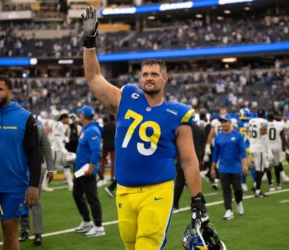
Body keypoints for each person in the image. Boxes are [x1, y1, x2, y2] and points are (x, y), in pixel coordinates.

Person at [81, 6, 208, 249]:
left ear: (165, 79)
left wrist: (197, 198)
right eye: (145, 74)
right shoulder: (127, 97)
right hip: (125, 192)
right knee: (130, 245)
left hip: (157, 191)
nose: (148, 77)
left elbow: (189, 160)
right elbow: (94, 78)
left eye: (154, 74)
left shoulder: (177, 112)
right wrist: (89, 42)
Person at [0, 75, 41, 250]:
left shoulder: (26, 118)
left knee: (10, 231)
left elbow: (34, 153)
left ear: (10, 91)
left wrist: (34, 185)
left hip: (14, 186)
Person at [20, 122, 55, 246]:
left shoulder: (39, 129)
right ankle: (24, 230)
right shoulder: (15, 128)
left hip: (36, 169)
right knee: (19, 200)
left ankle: (38, 233)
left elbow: (46, 148)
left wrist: (50, 169)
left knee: (35, 201)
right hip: (18, 170)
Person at [73, 105, 105, 237]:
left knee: (92, 198)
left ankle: (99, 226)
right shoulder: (86, 129)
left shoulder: (91, 130)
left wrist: (91, 168)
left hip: (87, 170)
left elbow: (97, 151)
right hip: (80, 169)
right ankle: (87, 221)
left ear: (83, 116)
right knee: (77, 195)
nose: (78, 115)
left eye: (80, 114)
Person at [210, 114, 248, 220]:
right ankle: (228, 210)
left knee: (238, 189)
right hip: (223, 168)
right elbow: (215, 154)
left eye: (225, 121)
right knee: (226, 190)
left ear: (230, 123)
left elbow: (242, 152)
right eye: (221, 122)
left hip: (236, 167)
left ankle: (239, 202)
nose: (223, 124)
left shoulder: (238, 136)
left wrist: (245, 164)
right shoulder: (218, 137)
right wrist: (212, 168)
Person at [173, 121, 205, 212]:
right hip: (196, 159)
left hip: (183, 159)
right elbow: (203, 144)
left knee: (179, 182)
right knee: (195, 182)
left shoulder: (180, 128)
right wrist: (201, 159)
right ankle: (197, 204)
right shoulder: (199, 129)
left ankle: (175, 204)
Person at [248, 109, 270, 198]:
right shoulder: (264, 121)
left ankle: (255, 185)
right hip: (259, 147)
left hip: (252, 145)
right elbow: (263, 134)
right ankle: (257, 190)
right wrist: (268, 150)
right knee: (259, 169)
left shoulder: (251, 120)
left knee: (266, 166)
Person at [98, 114, 116, 187]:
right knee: (113, 161)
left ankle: (102, 175)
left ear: (109, 119)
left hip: (105, 144)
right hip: (113, 144)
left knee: (102, 160)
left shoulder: (105, 126)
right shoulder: (115, 126)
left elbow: (102, 135)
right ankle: (112, 177)